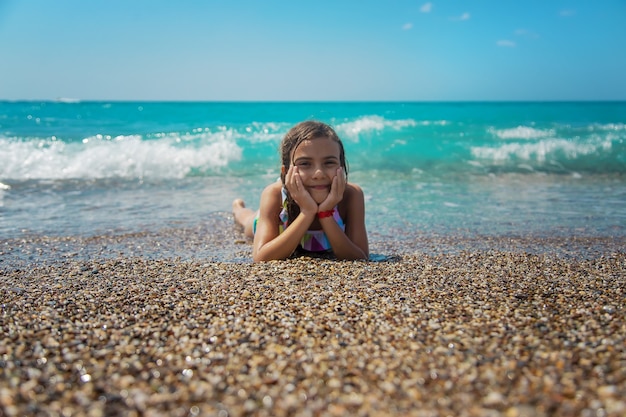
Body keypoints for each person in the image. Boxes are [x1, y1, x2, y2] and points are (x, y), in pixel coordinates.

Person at [233, 120, 369, 262]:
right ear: (286, 172)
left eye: (329, 162)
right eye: (305, 164)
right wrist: (307, 212)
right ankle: (237, 208)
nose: (318, 174)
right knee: (246, 220)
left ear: (341, 166)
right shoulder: (274, 195)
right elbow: (262, 258)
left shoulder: (351, 195)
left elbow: (360, 257)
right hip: (266, 219)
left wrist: (325, 213)